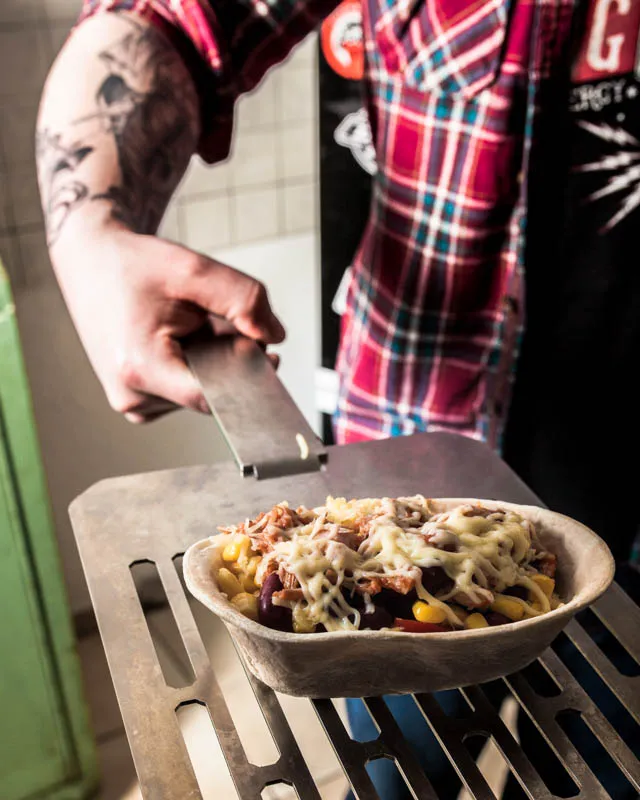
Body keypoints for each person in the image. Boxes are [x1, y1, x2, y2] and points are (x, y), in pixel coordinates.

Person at [37, 1, 639, 798]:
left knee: (608, 761)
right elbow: (169, 22)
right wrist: (91, 238)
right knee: (397, 771)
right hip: (416, 437)